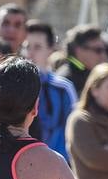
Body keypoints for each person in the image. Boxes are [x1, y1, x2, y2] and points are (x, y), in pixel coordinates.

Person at [21, 20, 78, 157]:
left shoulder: (63, 88)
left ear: (51, 49)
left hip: (55, 161)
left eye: (37, 47)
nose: (30, 53)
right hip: (20, 160)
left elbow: (72, 131)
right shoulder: (14, 85)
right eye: (27, 46)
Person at [55, 24, 108, 97]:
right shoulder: (65, 81)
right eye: (98, 50)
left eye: (106, 50)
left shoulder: (89, 74)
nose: (104, 56)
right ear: (79, 50)